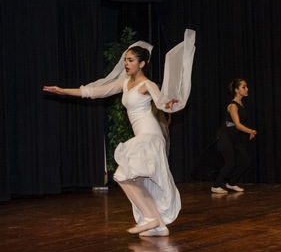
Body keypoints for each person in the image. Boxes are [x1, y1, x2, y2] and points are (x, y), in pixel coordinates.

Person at [43, 30, 195, 237]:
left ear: (141, 64)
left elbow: (161, 103)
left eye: (130, 60)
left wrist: (170, 102)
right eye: (125, 60)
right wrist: (63, 90)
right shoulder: (124, 83)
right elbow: (93, 92)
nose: (126, 63)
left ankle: (150, 219)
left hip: (150, 137)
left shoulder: (146, 84)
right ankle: (158, 225)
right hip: (142, 137)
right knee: (139, 182)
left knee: (122, 176)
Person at [211, 79, 257, 194]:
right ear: (237, 90)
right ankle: (215, 186)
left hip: (234, 137)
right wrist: (250, 131)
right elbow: (237, 124)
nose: (247, 89)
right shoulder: (232, 106)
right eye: (244, 87)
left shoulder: (241, 104)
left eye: (246, 87)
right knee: (230, 162)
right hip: (225, 135)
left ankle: (231, 183)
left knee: (245, 161)